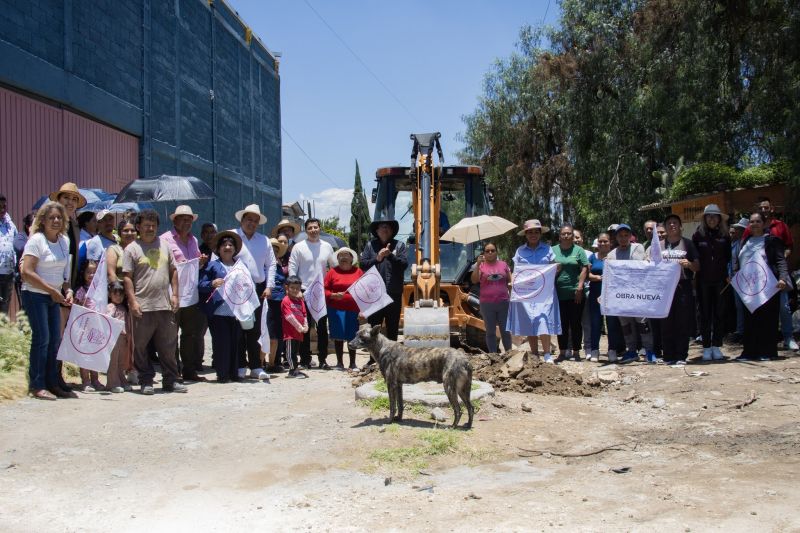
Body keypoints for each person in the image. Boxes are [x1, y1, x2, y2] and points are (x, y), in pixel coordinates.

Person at [122, 209, 186, 395]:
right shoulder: (131, 249)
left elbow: (173, 271)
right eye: (146, 225)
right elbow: (127, 278)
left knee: (168, 346)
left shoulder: (165, 245)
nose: (150, 228)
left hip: (165, 305)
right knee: (141, 347)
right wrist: (132, 301)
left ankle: (171, 380)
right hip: (142, 305)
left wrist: (175, 295)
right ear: (138, 227)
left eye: (153, 225)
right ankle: (146, 380)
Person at [19, 202, 76, 400]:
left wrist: (67, 289)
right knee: (42, 339)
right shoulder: (36, 240)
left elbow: (64, 273)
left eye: (59, 217)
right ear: (42, 220)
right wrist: (52, 290)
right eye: (51, 217)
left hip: (54, 295)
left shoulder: (64, 240)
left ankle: (53, 383)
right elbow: (26, 272)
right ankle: (37, 384)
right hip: (35, 295)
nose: (56, 220)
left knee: (54, 341)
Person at [161, 205, 208, 382]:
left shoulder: (193, 240)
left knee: (190, 334)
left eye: (189, 219)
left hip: (190, 295)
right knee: (171, 335)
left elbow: (195, 264)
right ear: (175, 220)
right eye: (183, 218)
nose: (187, 222)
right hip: (172, 293)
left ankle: (189, 370)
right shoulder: (164, 239)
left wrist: (201, 262)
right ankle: (173, 372)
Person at [743, 198, 796, 350]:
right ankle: (757, 344)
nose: (764, 210)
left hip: (776, 277)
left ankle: (788, 337)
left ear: (771, 208)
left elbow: (788, 247)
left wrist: (780, 259)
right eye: (762, 208)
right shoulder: (748, 233)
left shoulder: (780, 226)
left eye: (767, 207)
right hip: (754, 281)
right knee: (757, 312)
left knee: (783, 307)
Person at [736, 212, 790, 361]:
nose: (754, 224)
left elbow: (780, 261)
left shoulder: (772, 241)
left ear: (764, 223)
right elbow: (739, 260)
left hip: (768, 286)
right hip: (748, 288)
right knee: (750, 320)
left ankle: (767, 352)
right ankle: (749, 352)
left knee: (768, 319)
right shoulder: (745, 240)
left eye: (758, 221)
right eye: (752, 222)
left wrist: (783, 278)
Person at [507, 219, 561, 364]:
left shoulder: (548, 249)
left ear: (540, 234)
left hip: (544, 292)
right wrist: (512, 283)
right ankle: (535, 354)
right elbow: (515, 270)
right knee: (529, 321)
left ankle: (548, 354)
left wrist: (554, 270)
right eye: (530, 232)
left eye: (536, 232)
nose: (533, 234)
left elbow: (555, 267)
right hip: (526, 292)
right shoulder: (520, 251)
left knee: (543, 320)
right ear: (525, 234)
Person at [233, 204, 276, 380]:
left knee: (255, 329)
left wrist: (269, 286)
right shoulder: (232, 236)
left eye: (255, 221)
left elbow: (271, 264)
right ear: (242, 219)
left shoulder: (264, 240)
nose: (252, 223)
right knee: (238, 328)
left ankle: (255, 365)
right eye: (249, 219)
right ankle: (240, 364)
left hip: (257, 289)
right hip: (236, 289)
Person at [289, 217, 337, 368]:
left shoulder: (327, 246)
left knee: (322, 328)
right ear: (306, 230)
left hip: (321, 292)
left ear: (319, 228)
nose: (313, 230)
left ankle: (323, 359)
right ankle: (305, 359)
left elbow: (334, 267)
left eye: (315, 227)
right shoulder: (299, 247)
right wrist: (295, 290)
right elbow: (292, 269)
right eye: (310, 228)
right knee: (305, 327)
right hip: (303, 290)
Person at [199, 230, 244, 383]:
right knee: (221, 344)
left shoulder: (240, 265)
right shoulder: (212, 266)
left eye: (231, 245)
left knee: (235, 343)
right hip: (218, 311)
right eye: (224, 245)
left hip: (236, 311)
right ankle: (222, 374)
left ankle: (234, 372)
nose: (227, 247)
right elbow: (201, 284)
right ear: (218, 249)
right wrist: (212, 283)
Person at [606, 224, 654, 363]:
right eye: (620, 236)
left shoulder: (638, 248)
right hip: (621, 296)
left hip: (638, 293)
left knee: (643, 323)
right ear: (616, 237)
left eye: (626, 235)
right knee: (625, 325)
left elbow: (643, 265)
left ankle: (649, 351)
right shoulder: (611, 254)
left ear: (630, 236)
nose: (623, 238)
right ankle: (631, 351)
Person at [656, 214, 700, 364]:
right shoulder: (658, 245)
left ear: (680, 226)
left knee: (682, 321)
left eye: (675, 222)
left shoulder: (688, 244)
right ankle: (668, 356)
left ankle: (681, 356)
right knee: (666, 322)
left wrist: (689, 264)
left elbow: (697, 266)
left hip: (683, 286)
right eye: (669, 223)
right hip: (664, 288)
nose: (672, 225)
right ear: (665, 227)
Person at [359, 219, 408, 345]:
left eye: (388, 227)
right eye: (382, 227)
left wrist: (390, 255)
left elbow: (404, 265)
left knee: (392, 327)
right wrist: (378, 258)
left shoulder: (399, 245)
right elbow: (363, 265)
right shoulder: (370, 245)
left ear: (392, 231)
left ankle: (393, 358)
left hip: (393, 293)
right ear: (377, 231)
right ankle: (372, 359)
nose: (385, 229)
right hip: (375, 294)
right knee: (374, 327)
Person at [692, 204, 731, 361]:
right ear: (704, 218)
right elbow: (695, 258)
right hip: (703, 281)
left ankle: (717, 346)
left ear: (719, 219)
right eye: (709, 216)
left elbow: (729, 258)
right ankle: (706, 347)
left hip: (721, 281)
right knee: (705, 314)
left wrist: (728, 274)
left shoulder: (725, 236)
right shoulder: (697, 236)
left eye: (715, 216)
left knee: (719, 313)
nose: (712, 219)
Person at [552, 224, 589, 361]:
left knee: (575, 323)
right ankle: (562, 352)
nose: (566, 236)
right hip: (558, 293)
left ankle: (576, 352)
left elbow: (585, 268)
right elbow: (547, 269)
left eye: (569, 233)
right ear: (559, 236)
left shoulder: (579, 250)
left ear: (573, 236)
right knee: (562, 323)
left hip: (576, 293)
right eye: (564, 233)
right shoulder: (553, 250)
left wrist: (580, 287)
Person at [324, 247, 363, 370]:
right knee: (338, 335)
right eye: (341, 255)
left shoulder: (358, 272)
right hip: (335, 309)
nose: (344, 257)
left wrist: (363, 310)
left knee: (352, 335)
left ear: (352, 258)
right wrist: (333, 295)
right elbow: (324, 290)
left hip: (353, 309)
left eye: (347, 255)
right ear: (337, 258)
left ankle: (353, 363)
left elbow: (365, 290)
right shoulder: (332, 272)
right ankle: (339, 363)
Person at [470, 242, 512, 354]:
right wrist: (478, 265)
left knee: (505, 331)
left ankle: (509, 353)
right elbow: (474, 280)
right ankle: (493, 355)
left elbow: (510, 281)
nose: (490, 253)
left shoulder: (503, 264)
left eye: (492, 250)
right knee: (490, 332)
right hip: (487, 304)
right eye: (487, 251)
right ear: (483, 253)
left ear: (496, 252)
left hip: (503, 303)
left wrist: (512, 296)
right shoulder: (480, 266)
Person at [74, 259, 104, 391]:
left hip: (97, 327)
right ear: (83, 273)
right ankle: (86, 381)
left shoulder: (100, 290)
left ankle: (96, 380)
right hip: (84, 327)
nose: (91, 275)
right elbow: (76, 307)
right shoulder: (81, 290)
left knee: (95, 353)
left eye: (94, 272)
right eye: (88, 272)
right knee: (85, 354)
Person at [587, 232, 614, 362]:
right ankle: (594, 350)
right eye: (600, 241)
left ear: (610, 243)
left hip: (612, 294)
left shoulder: (614, 256)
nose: (602, 244)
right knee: (595, 322)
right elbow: (586, 274)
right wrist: (597, 277)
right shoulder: (592, 257)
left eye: (605, 241)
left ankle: (612, 350)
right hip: (595, 293)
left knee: (612, 322)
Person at [266, 235, 290, 372]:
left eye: (276, 250)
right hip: (268, 302)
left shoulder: (279, 266)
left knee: (278, 334)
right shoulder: (264, 265)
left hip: (280, 302)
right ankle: (263, 362)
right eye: (271, 249)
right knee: (268, 333)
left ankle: (274, 362)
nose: (274, 252)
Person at [105, 281, 132, 393]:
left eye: (121, 294)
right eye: (115, 294)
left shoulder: (123, 307)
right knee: (113, 361)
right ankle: (112, 383)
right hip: (114, 337)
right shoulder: (110, 307)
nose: (118, 297)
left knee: (122, 361)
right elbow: (108, 319)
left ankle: (122, 380)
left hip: (123, 338)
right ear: (110, 295)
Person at [282, 275, 308, 378]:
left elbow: (304, 314)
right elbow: (289, 317)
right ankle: (292, 371)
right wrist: (300, 327)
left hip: (299, 333)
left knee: (295, 352)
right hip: (290, 332)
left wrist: (305, 325)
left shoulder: (300, 301)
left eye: (297, 288)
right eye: (292, 288)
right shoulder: (286, 300)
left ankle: (295, 369)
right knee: (290, 353)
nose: (295, 290)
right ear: (287, 287)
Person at [728, 218, 749, 342]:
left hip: (747, 279)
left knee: (747, 305)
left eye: (741, 229)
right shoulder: (734, 244)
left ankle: (747, 330)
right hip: (736, 279)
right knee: (739, 306)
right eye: (738, 229)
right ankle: (741, 330)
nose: (738, 231)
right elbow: (731, 262)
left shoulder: (748, 244)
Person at [0, 194, 17, 315]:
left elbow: (15, 246)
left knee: (4, 306)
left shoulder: (11, 225)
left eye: (4, 206)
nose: (2, 209)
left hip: (9, 273)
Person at [107, 219, 137, 283]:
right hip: (121, 290)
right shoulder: (114, 249)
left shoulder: (141, 248)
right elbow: (111, 274)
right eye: (126, 231)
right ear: (120, 233)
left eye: (133, 230)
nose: (129, 233)